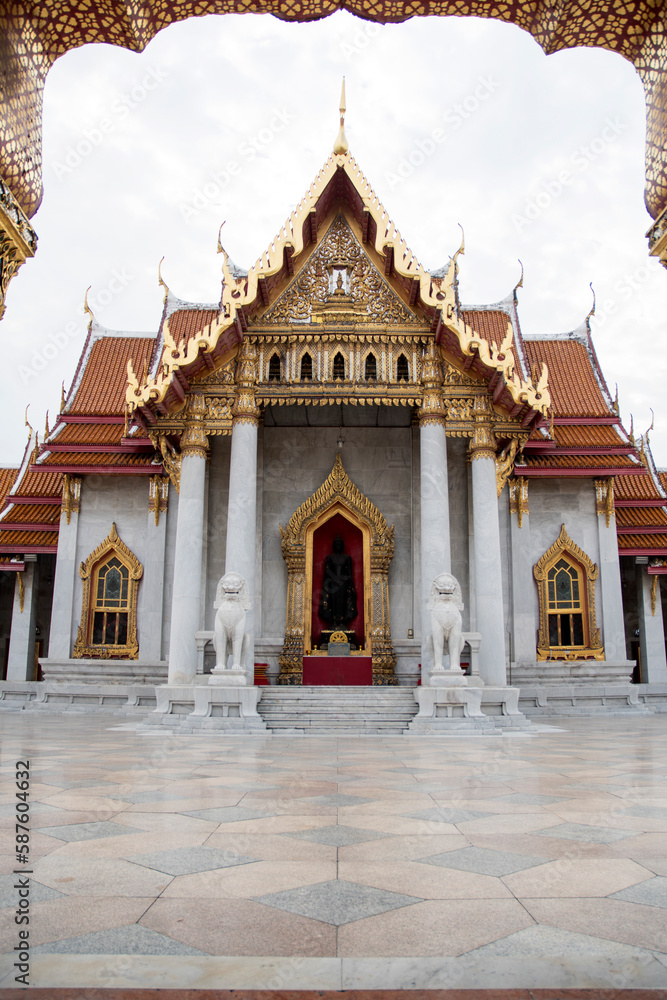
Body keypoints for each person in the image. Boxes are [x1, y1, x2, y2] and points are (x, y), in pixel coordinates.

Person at [319, 534, 357, 627]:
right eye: (336, 544)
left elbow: (349, 574)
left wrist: (352, 587)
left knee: (343, 602)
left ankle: (342, 622)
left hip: (343, 584)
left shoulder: (347, 558)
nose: (338, 546)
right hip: (332, 584)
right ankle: (334, 622)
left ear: (343, 546)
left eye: (340, 545)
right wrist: (325, 587)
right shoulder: (330, 557)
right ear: (333, 546)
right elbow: (327, 573)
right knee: (333, 602)